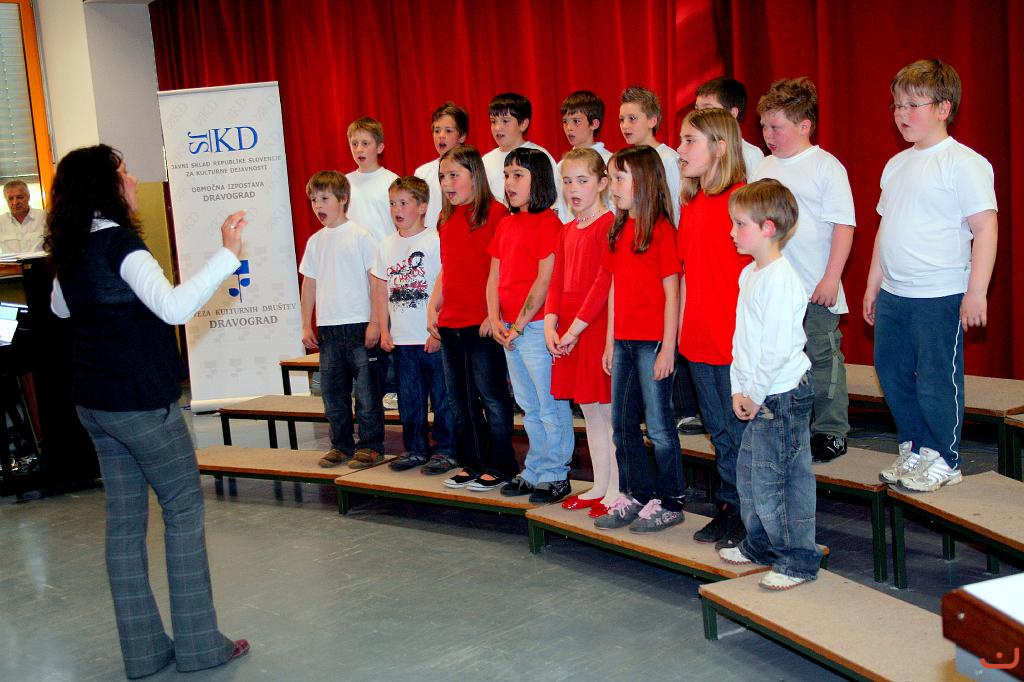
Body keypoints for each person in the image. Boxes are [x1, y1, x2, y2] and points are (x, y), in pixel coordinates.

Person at [46, 144, 248, 677]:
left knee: (124, 524)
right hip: (139, 404)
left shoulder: (71, 247)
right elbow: (175, 308)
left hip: (95, 404)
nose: (133, 178)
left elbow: (59, 308)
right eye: (124, 171)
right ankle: (200, 646)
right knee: (183, 510)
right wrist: (227, 254)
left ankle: (143, 653)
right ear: (105, 186)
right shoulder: (121, 244)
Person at [866, 59, 998, 492]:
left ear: (943, 108)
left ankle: (945, 458)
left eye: (913, 105)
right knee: (892, 375)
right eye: (897, 105)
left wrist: (976, 292)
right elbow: (886, 227)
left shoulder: (964, 163)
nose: (902, 114)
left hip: (940, 294)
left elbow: (985, 229)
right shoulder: (896, 164)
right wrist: (873, 283)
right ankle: (915, 447)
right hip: (894, 293)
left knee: (937, 382)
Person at [719, 178, 822, 590]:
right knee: (750, 475)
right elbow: (743, 339)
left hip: (781, 395)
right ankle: (760, 544)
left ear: (767, 227)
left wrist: (755, 393)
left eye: (739, 224)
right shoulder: (750, 274)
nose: (732, 232)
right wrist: (737, 387)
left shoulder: (781, 280)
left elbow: (776, 348)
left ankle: (797, 560)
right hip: (759, 393)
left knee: (777, 481)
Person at [751, 77, 856, 463]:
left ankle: (831, 429)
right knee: (778, 358)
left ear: (804, 125)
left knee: (823, 356)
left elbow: (843, 226)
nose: (768, 135)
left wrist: (831, 278)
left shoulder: (826, 167)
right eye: (764, 126)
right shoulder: (763, 167)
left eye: (776, 127)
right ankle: (787, 426)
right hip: (775, 288)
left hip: (814, 286)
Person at [594, 145, 683, 533]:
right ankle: (635, 494)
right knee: (623, 425)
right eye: (611, 178)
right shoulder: (618, 229)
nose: (612, 186)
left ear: (643, 182)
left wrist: (668, 347)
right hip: (625, 342)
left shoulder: (660, 230)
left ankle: (671, 500)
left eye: (619, 178)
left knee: (659, 427)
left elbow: (672, 292)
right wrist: (610, 341)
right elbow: (615, 288)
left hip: (652, 343)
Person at [675, 108, 750, 549]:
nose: (681, 149)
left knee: (741, 434)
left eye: (690, 141)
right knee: (719, 433)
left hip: (734, 343)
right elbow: (687, 274)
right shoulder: (692, 206)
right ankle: (730, 506)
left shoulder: (742, 201)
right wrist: (680, 334)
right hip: (700, 340)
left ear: (720, 147)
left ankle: (750, 514)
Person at [425, 145, 518, 488]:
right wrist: (434, 305)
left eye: (454, 175)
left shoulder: (497, 214)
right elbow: (448, 267)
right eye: (442, 177)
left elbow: (504, 271)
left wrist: (494, 315)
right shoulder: (446, 218)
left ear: (474, 175)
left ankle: (502, 465)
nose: (447, 183)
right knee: (460, 400)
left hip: (482, 324)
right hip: (451, 323)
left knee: (492, 397)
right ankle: (473, 462)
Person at [487, 147, 573, 504]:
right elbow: (494, 275)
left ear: (538, 181)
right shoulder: (506, 224)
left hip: (534, 328)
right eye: (507, 175)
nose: (510, 182)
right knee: (528, 405)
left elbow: (544, 280)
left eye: (518, 175)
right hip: (510, 328)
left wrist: (520, 324)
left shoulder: (549, 223)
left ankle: (556, 473)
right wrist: (495, 318)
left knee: (549, 404)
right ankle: (535, 469)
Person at [545, 147, 618, 518]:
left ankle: (617, 489)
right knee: (588, 410)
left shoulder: (610, 225)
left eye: (582, 181)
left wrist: (574, 329)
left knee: (607, 412)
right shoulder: (567, 230)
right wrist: (550, 322)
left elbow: (603, 283)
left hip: (595, 328)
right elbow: (557, 280)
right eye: (568, 181)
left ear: (602, 183)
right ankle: (600, 484)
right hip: (571, 330)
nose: (573, 189)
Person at [300, 170, 385, 469]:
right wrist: (306, 323)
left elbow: (376, 281)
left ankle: (371, 445)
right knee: (333, 394)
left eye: (324, 199)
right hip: (329, 328)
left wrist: (375, 322)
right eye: (314, 200)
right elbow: (309, 283)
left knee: (367, 393)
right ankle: (340, 444)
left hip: (359, 324)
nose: (318, 206)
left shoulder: (361, 236)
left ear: (343, 199)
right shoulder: (315, 242)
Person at [371, 176, 454, 472]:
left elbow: (445, 287)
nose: (397, 209)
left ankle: (446, 449)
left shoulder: (435, 241)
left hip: (431, 336)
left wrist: (438, 331)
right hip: (402, 340)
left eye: (404, 203)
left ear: (422, 207)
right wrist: (384, 329)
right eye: (393, 203)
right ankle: (415, 448)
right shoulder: (385, 246)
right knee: (410, 399)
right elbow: (381, 289)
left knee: (442, 399)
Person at [345, 117, 399, 408]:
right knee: (362, 327)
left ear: (379, 147)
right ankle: (364, 386)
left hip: (384, 268)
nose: (359, 149)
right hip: (355, 269)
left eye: (365, 143)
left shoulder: (390, 181)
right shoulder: (345, 184)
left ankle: (392, 386)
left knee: (387, 324)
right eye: (354, 143)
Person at [481, 92, 562, 217]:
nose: (497, 128)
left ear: (523, 124)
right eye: (493, 121)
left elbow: (555, 204)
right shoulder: (486, 161)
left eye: (505, 121)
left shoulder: (539, 156)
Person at [617, 86, 681, 225]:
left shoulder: (668, 159)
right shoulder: (627, 160)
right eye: (622, 119)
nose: (625, 125)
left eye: (632, 118)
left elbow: (676, 207)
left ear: (652, 121)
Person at [694, 77, 765, 178]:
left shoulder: (750, 154)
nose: (698, 116)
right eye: (697, 110)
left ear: (732, 113)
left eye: (707, 109)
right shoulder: (695, 149)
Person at [414, 102, 469, 230]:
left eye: (448, 131)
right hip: (430, 239)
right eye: (437, 130)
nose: (441, 136)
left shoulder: (471, 170)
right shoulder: (422, 173)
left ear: (462, 136)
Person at [1, 180, 46, 253]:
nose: (15, 202)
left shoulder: (45, 217)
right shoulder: (1, 222)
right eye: (10, 198)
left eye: (20, 197)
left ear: (28, 197)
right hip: (12, 261)